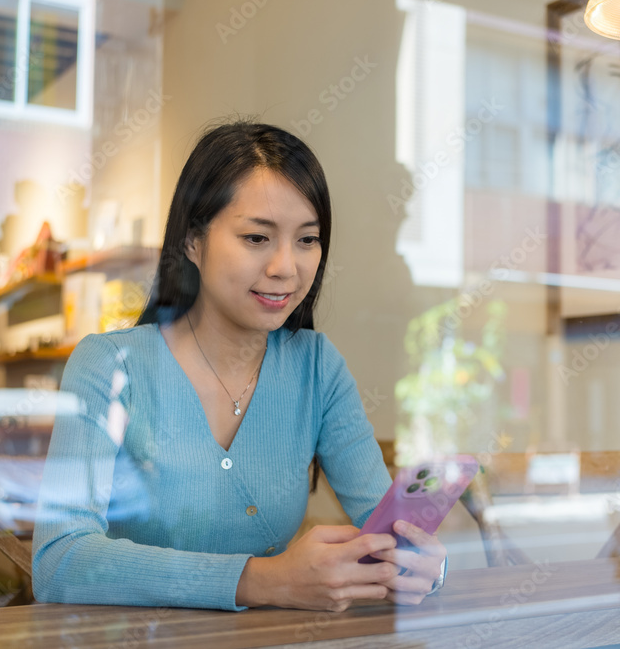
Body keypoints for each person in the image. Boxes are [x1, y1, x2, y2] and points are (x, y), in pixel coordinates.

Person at [31, 121, 448, 612]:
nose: (285, 268)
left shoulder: (317, 367)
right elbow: (59, 562)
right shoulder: (110, 364)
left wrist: (425, 567)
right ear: (192, 240)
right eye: (256, 238)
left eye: (307, 240)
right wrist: (262, 580)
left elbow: (386, 530)